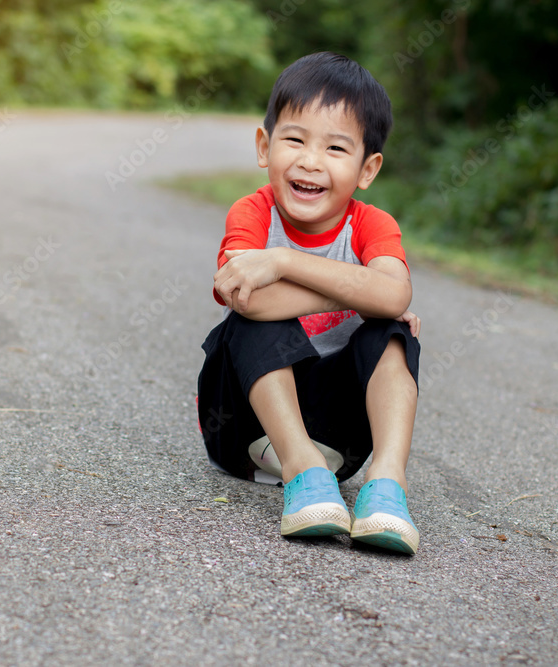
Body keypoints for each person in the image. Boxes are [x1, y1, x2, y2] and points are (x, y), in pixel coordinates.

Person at [196, 52, 422, 554]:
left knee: (390, 332)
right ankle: (302, 471)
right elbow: (246, 298)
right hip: (244, 429)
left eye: (336, 148)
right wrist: (361, 291)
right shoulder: (252, 212)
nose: (310, 160)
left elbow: (395, 295)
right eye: (295, 139)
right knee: (249, 320)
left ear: (367, 169)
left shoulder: (372, 225)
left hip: (338, 439)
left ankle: (386, 485)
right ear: (264, 145)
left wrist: (284, 262)